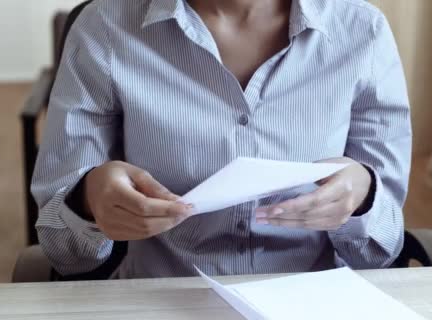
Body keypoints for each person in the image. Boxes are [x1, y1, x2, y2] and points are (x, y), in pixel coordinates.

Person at [32, 0, 412, 278]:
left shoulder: (363, 31)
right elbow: (64, 252)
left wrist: (362, 197)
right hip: (161, 298)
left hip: (312, 298)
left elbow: (381, 250)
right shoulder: (106, 28)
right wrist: (87, 199)